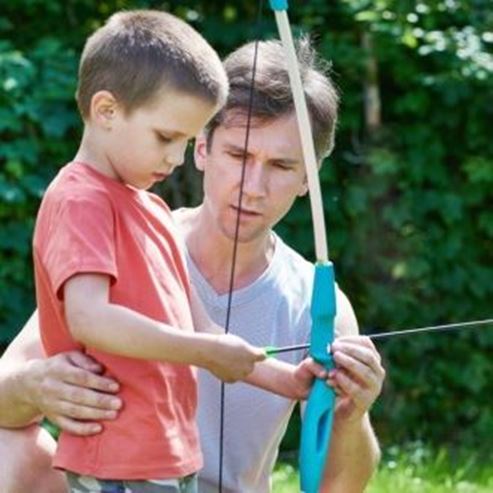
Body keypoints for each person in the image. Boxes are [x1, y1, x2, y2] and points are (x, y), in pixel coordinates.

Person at [0, 37, 385, 493]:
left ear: (309, 180)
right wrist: (33, 387)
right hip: (115, 479)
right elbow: (12, 386)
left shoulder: (317, 304)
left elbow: (338, 489)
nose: (253, 187)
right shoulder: (127, 241)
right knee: (12, 449)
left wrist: (350, 415)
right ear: (201, 146)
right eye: (238, 155)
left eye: (281, 166)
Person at [23, 9, 269, 493]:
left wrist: (291, 377)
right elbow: (90, 318)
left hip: (170, 454)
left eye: (186, 141)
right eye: (165, 137)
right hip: (118, 459)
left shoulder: (152, 209)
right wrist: (205, 352)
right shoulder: (80, 199)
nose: (177, 159)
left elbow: (200, 327)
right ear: (107, 111)